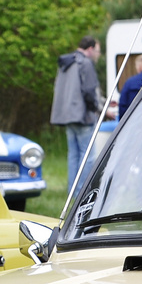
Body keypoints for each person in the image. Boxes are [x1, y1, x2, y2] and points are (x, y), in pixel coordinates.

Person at [51, 37, 101, 191]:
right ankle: (81, 191)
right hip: (83, 117)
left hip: (66, 116)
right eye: (98, 51)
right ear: (90, 49)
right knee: (88, 156)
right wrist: (96, 108)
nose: (98, 55)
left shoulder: (66, 63)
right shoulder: (85, 63)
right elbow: (89, 91)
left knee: (73, 155)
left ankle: (72, 191)